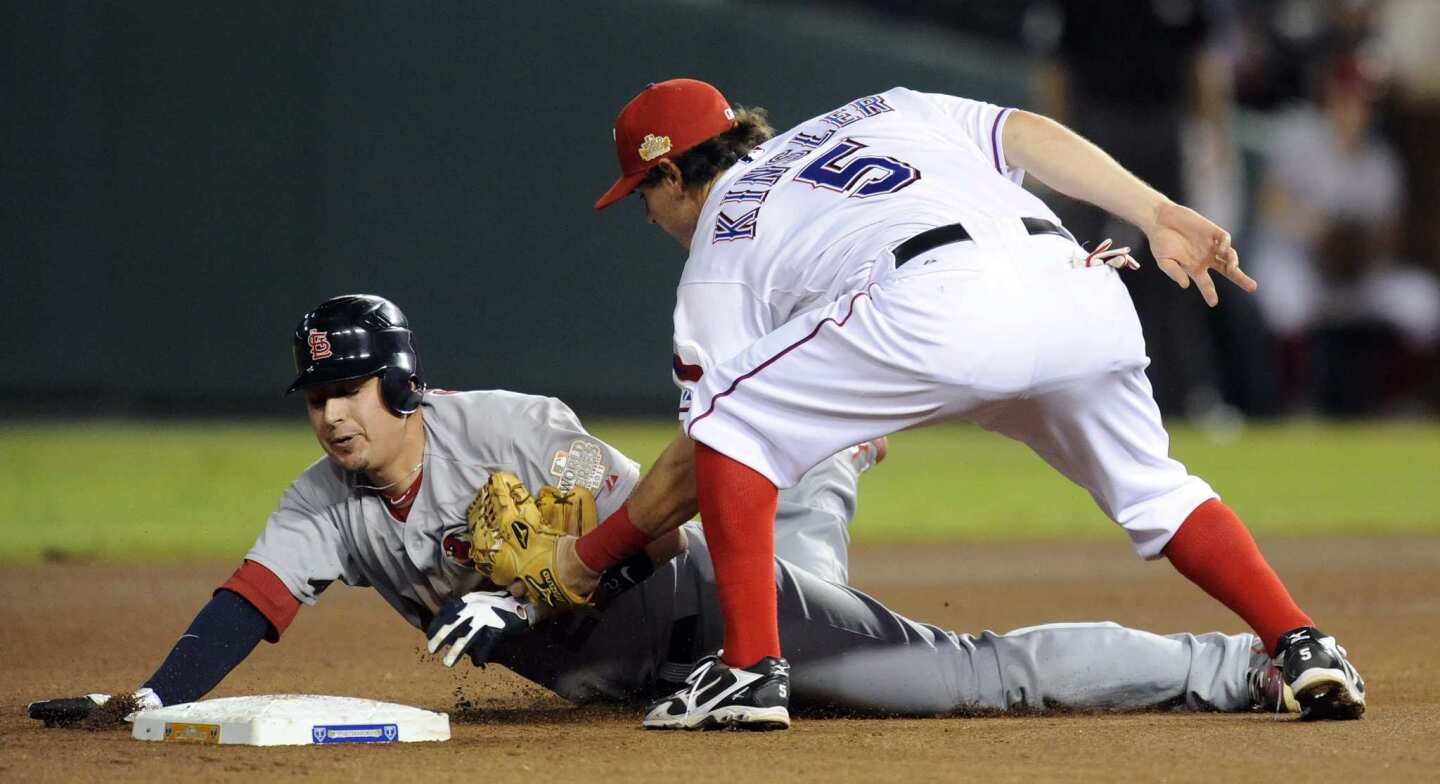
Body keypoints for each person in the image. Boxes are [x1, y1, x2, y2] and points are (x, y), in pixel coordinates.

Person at [27, 294, 1293, 731]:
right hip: (635, 676)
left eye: (349, 389)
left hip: (713, 622)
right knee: (800, 521)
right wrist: (159, 695)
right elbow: (252, 596)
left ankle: (1237, 663)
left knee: (972, 678)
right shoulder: (327, 503)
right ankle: (830, 444)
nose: (332, 418)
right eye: (315, 396)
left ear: (401, 379)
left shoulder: (510, 426)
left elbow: (661, 528)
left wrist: (522, 586)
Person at [578, 79, 1365, 730]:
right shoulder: (882, 109)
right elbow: (1026, 133)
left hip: (940, 303)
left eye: (642, 196)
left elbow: (704, 454)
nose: (647, 216)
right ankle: (1301, 643)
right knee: (1155, 488)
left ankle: (748, 673)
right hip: (1073, 283)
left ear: (671, 178)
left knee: (729, 419)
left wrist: (588, 558)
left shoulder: (724, 234)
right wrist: (1156, 211)